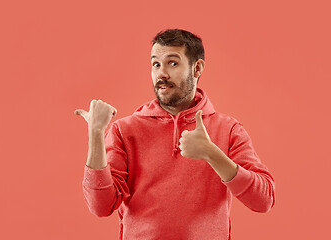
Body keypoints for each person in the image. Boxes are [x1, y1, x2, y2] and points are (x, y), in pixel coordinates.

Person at [74, 29, 275, 240]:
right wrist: (96, 134)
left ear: (197, 68)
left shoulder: (229, 129)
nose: (161, 73)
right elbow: (101, 206)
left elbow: (264, 200)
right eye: (156, 64)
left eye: (172, 63)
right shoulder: (124, 130)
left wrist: (212, 154)